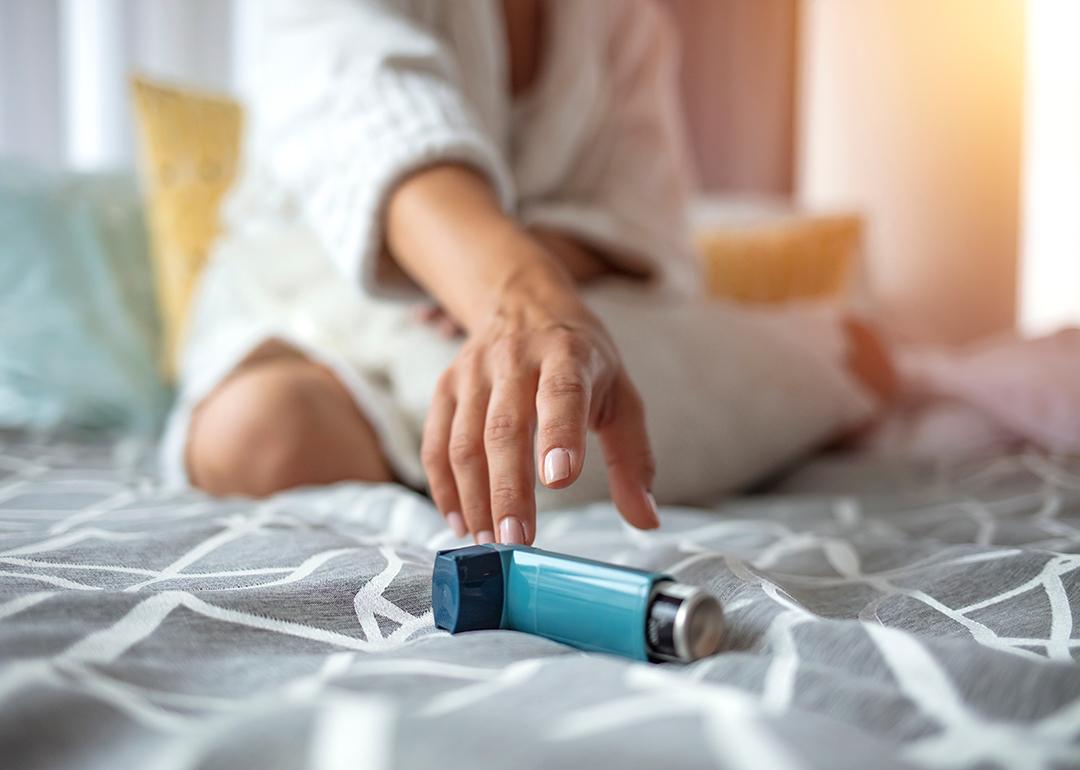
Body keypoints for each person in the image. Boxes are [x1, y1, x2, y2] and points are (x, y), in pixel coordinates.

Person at [164, 0, 891, 547]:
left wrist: (534, 264)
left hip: (563, 301)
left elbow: (642, 219)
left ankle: (825, 350)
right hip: (323, 307)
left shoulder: (623, 18)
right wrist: (518, 294)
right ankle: (440, 447)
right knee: (260, 435)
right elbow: (376, 126)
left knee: (852, 360)